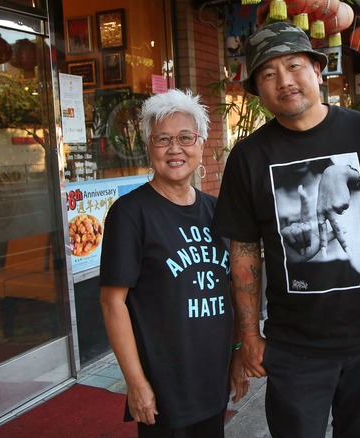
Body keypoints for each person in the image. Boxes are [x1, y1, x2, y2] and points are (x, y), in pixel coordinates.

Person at [212, 22, 360, 438]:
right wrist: (249, 334)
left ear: (317, 69)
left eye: (294, 66)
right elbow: (244, 250)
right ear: (258, 88)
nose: (284, 81)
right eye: (268, 74)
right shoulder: (248, 156)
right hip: (294, 349)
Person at [99, 89, 249, 438]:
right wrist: (135, 383)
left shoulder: (217, 210)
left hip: (212, 378)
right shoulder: (130, 214)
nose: (174, 148)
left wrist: (238, 352)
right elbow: (112, 302)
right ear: (149, 148)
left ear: (200, 145)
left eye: (185, 137)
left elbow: (234, 287)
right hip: (165, 383)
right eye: (162, 139)